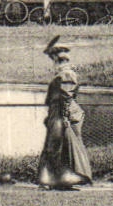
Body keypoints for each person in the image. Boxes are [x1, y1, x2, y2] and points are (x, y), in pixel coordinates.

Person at [37, 37, 92, 190]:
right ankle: (55, 180)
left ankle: (61, 179)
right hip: (58, 114)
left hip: (62, 115)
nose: (53, 64)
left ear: (58, 60)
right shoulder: (62, 75)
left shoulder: (66, 75)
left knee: (60, 147)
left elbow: (66, 98)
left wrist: (65, 117)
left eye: (54, 59)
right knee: (56, 147)